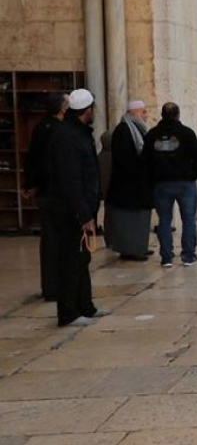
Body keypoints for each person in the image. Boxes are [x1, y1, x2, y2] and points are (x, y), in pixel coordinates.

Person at [45, 89, 101, 327]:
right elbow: (71, 179)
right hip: (70, 210)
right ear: (87, 110)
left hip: (81, 207)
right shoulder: (67, 136)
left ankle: (85, 306)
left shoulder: (78, 133)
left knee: (82, 257)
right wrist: (83, 214)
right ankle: (67, 312)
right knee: (70, 259)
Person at [143, 102, 197, 268]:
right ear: (178, 115)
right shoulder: (187, 133)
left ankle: (166, 257)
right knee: (188, 219)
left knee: (164, 220)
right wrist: (193, 174)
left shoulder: (152, 134)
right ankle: (188, 256)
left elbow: (146, 160)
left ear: (162, 115)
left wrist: (152, 180)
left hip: (162, 183)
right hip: (185, 182)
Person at [23, 92, 68, 300]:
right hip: (57, 193)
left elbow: (32, 158)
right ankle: (58, 287)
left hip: (45, 191)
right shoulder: (60, 130)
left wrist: (30, 185)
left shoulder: (41, 128)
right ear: (62, 108)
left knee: (49, 242)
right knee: (58, 242)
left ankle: (51, 286)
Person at [105, 100, 153, 261]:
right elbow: (125, 158)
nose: (145, 116)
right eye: (143, 112)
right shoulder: (123, 130)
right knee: (128, 221)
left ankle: (138, 247)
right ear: (134, 113)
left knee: (138, 220)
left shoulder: (137, 129)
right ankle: (131, 249)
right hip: (128, 185)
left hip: (137, 184)